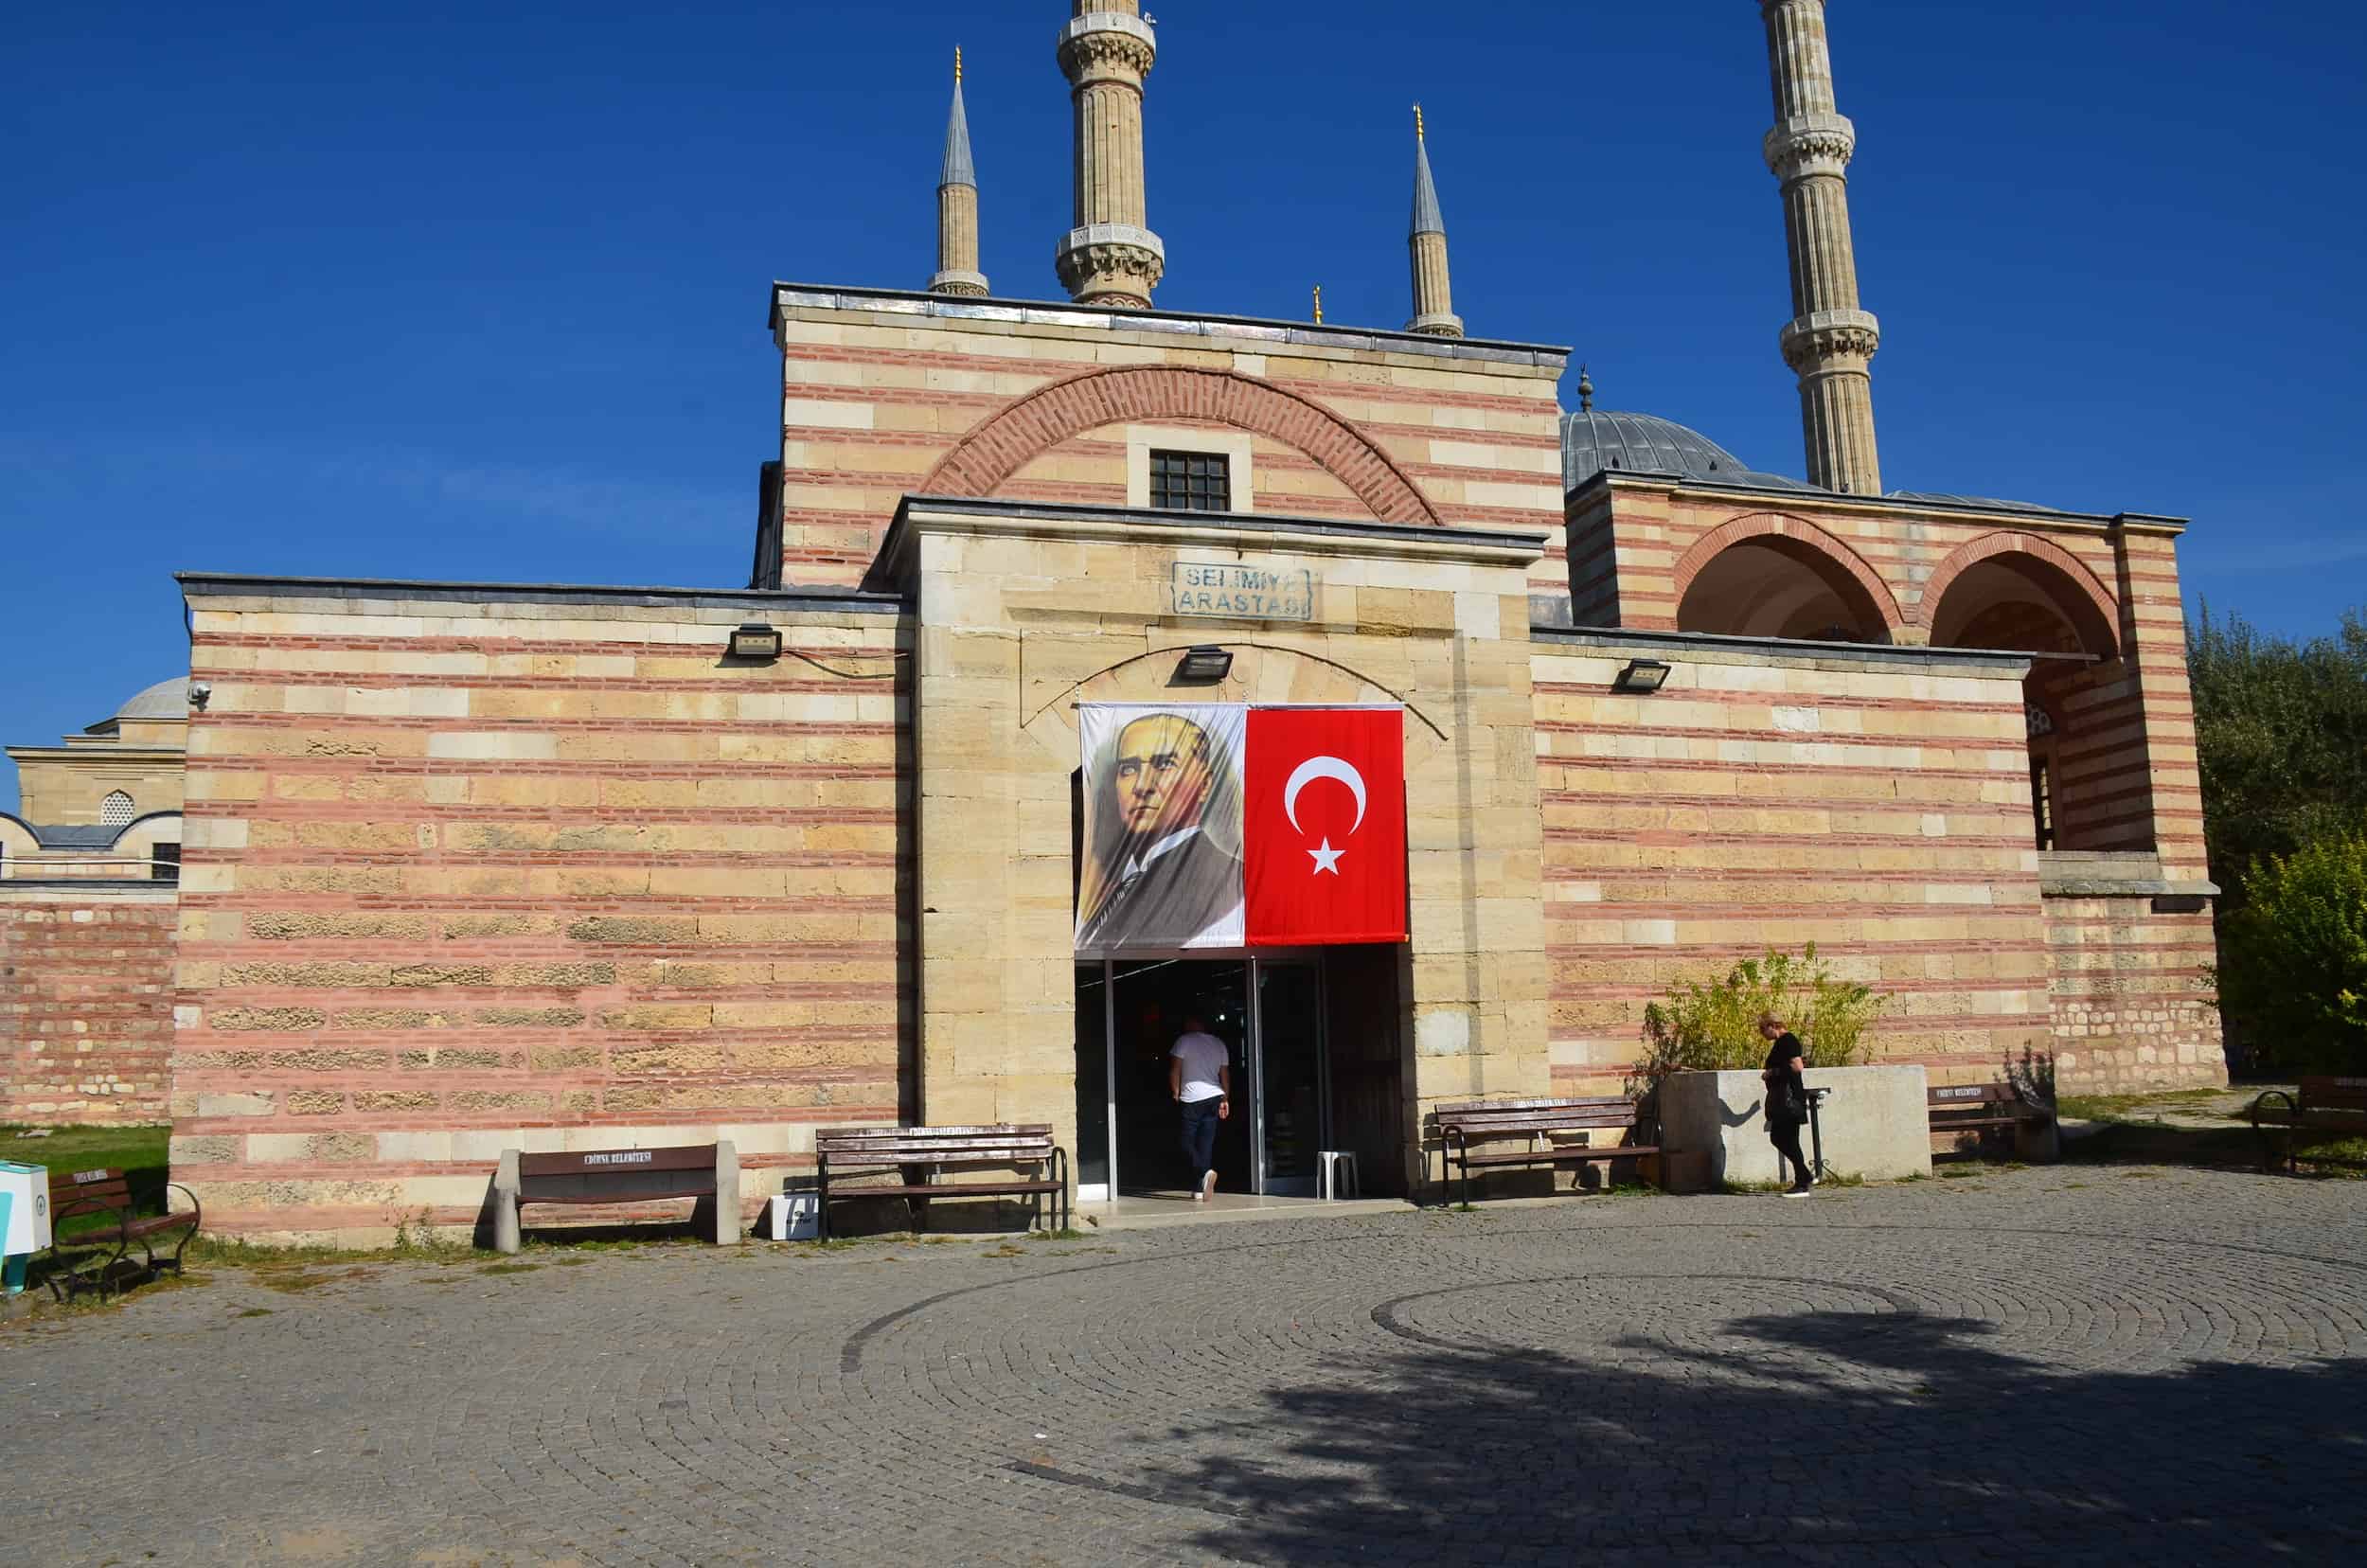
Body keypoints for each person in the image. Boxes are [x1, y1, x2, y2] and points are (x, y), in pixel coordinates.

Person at [1076, 712, 1244, 951]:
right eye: (1128, 769)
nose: (1142, 786)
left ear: (1204, 785)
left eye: (1164, 765)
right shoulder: (1123, 883)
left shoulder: (1228, 884)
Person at [1168, 1011, 1232, 1202]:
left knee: (1185, 1142)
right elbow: (1225, 1075)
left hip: (1192, 1098)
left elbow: (1175, 1069)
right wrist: (1225, 1098)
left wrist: (1175, 1092)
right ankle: (1199, 1188)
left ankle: (1205, 1173)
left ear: (1192, 1022)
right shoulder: (1219, 1044)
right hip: (1214, 1096)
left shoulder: (1183, 1041)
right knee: (1205, 1144)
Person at [1759, 1011, 1816, 1196]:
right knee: (1782, 1138)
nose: (1761, 1033)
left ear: (1772, 1025)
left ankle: (1802, 1181)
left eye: (1762, 1029)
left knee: (1786, 1139)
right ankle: (1804, 1176)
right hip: (1784, 1099)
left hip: (1789, 1099)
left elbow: (1797, 1067)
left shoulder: (1787, 1040)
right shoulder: (1782, 1042)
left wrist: (1772, 1073)